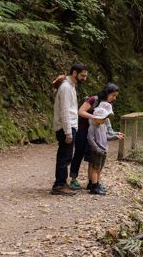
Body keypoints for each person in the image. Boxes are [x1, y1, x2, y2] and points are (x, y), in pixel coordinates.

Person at [69, 83, 124, 191]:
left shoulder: (108, 105)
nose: (114, 98)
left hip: (97, 132)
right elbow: (80, 111)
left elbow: (107, 123)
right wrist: (94, 117)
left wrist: (113, 134)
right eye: (113, 95)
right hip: (83, 130)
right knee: (79, 154)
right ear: (107, 93)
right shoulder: (94, 99)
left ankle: (92, 182)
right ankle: (73, 179)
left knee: (92, 157)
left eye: (115, 96)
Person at [51, 63, 88, 195]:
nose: (84, 78)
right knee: (64, 156)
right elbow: (65, 111)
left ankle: (61, 183)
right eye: (82, 75)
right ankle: (59, 185)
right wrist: (68, 132)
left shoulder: (70, 86)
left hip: (69, 126)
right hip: (66, 127)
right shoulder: (66, 87)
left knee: (66, 155)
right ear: (74, 73)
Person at [87, 101, 123, 195]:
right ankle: (93, 186)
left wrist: (115, 137)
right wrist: (97, 149)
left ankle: (97, 184)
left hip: (103, 150)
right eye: (103, 118)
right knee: (95, 168)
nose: (105, 120)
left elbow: (106, 137)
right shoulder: (92, 128)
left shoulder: (102, 126)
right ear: (97, 118)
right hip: (97, 151)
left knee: (99, 169)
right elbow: (90, 139)